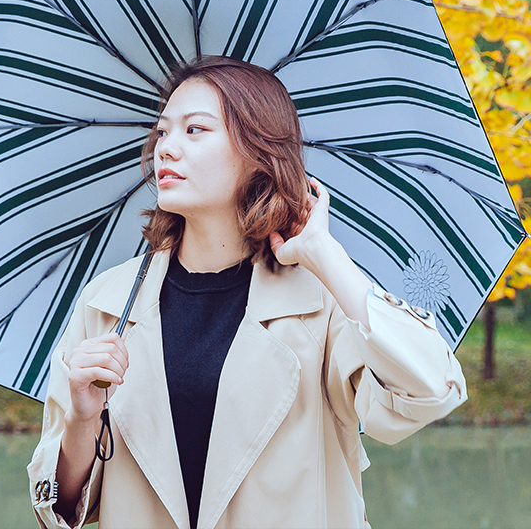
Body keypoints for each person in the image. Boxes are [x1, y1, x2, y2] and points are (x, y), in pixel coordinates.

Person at [28, 56, 466, 529]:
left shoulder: (319, 302)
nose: (167, 149)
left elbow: (428, 389)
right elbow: (60, 509)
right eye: (162, 132)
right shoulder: (107, 303)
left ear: (257, 151)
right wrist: (82, 419)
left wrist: (327, 255)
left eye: (195, 130)